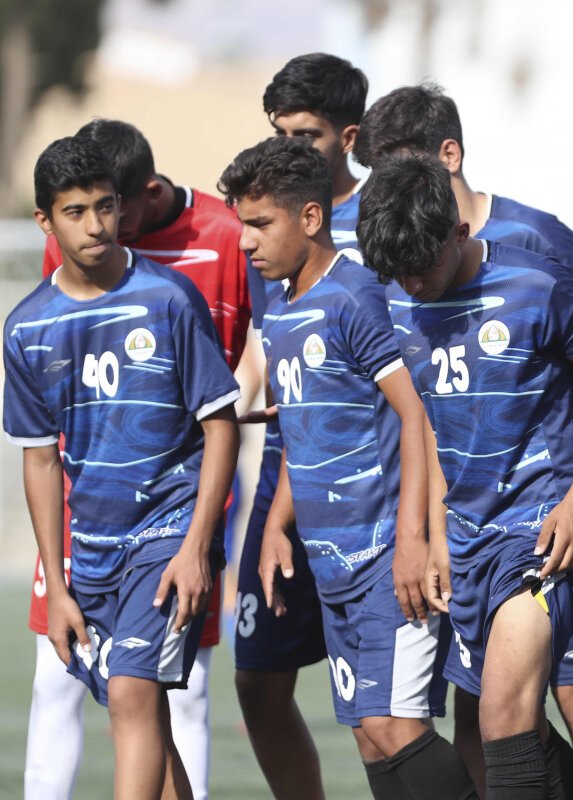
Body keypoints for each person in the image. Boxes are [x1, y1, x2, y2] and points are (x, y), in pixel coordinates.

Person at [356, 82, 573, 799]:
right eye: (399, 275)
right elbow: (432, 421)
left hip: (545, 528)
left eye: (422, 266)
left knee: (510, 712)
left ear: (457, 233)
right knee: (492, 726)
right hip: (470, 536)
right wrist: (433, 533)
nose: (412, 284)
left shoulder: (536, 281)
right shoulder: (400, 299)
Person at [219, 134, 477, 800]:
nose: (245, 241)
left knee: (393, 726)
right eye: (242, 224)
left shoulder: (357, 296)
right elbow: (301, 432)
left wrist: (415, 541)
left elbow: (417, 416)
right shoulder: (281, 312)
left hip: (388, 558)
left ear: (310, 217)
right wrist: (276, 524)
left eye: (260, 224)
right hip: (331, 564)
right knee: (368, 732)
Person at [6, 135, 240, 800]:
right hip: (93, 551)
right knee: (144, 717)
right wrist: (56, 586)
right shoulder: (27, 327)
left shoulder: (169, 298)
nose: (96, 225)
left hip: (167, 536)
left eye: (106, 206)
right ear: (45, 222)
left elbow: (220, 424)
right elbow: (40, 460)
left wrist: (197, 547)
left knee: (135, 693)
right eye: (75, 212)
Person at [234, 53, 370, 800]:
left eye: (306, 134)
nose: (289, 147)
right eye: (279, 131)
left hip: (369, 483)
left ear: (347, 137)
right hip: (285, 471)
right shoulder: (266, 221)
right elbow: (273, 343)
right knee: (257, 680)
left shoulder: (382, 222)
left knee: (381, 709)